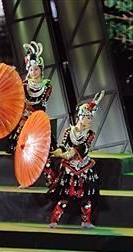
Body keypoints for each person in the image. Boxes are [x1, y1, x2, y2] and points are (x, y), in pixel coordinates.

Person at [47, 91, 104, 228]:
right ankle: (54, 221)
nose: (89, 121)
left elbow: (80, 148)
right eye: (87, 118)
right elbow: (63, 146)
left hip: (84, 168)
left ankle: (86, 221)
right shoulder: (69, 131)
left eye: (91, 118)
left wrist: (65, 155)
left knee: (86, 198)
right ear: (80, 117)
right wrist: (56, 152)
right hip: (69, 168)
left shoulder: (90, 134)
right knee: (64, 197)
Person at [6, 41, 52, 155]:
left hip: (37, 114)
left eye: (36, 69)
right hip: (24, 114)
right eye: (31, 69)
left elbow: (42, 103)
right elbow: (19, 100)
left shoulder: (47, 85)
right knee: (20, 128)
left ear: (41, 69)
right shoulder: (24, 84)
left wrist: (32, 111)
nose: (33, 72)